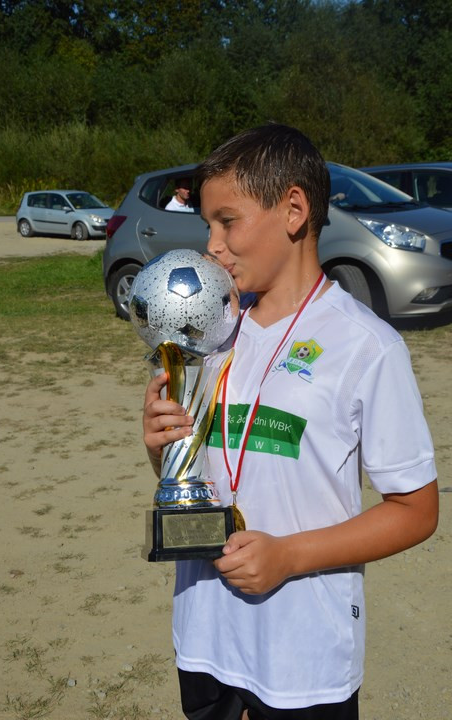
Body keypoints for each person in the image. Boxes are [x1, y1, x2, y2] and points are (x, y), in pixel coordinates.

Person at [142, 123, 438, 720]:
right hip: (206, 638)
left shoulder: (365, 346)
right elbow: (205, 470)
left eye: (227, 222)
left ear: (294, 210)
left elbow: (416, 510)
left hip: (302, 657)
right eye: (207, 225)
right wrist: (163, 448)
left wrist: (289, 556)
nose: (212, 245)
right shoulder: (213, 332)